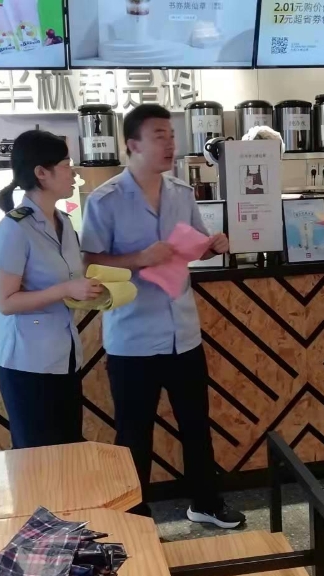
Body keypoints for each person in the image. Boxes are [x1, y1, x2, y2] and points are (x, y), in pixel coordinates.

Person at [81, 104, 245, 529]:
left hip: (183, 332)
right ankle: (134, 518)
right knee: (134, 434)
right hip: (132, 336)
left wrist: (213, 245)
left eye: (171, 135)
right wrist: (139, 258)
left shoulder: (182, 193)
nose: (170, 144)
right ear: (132, 145)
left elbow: (193, 247)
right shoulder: (105, 199)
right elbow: (89, 261)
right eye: (159, 136)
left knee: (196, 424)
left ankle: (206, 503)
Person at [0, 130, 103, 449]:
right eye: (66, 165)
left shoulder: (65, 223)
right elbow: (6, 302)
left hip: (65, 356)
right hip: (28, 363)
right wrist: (66, 288)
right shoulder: (13, 229)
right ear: (41, 172)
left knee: (67, 453)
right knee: (36, 459)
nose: (74, 172)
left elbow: (69, 282)